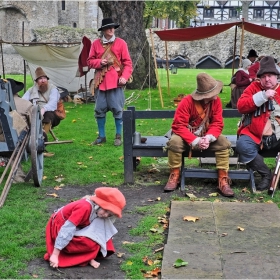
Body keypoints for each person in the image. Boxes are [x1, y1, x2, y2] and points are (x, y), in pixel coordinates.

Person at [164, 73, 234, 197]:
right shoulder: (186, 102)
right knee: (174, 142)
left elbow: (217, 123)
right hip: (186, 137)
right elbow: (178, 126)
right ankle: (174, 175)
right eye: (214, 93)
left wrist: (207, 138)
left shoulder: (216, 102)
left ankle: (223, 179)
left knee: (223, 143)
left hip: (207, 136)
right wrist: (196, 140)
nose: (216, 95)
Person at [44, 187, 126, 268]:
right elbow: (67, 229)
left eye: (110, 214)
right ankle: (87, 257)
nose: (106, 215)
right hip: (61, 228)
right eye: (105, 210)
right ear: (98, 204)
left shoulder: (97, 210)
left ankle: (90, 256)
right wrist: (55, 254)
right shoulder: (84, 207)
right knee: (89, 243)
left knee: (103, 229)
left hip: (79, 226)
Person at [236, 56, 280, 192]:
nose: (267, 79)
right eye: (264, 76)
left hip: (278, 136)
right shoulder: (253, 87)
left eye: (270, 76)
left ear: (276, 76)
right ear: (259, 78)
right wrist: (263, 96)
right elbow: (241, 106)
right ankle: (266, 174)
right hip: (253, 134)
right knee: (243, 146)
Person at [87, 18, 133, 146]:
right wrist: (99, 62)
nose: (111, 29)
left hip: (116, 83)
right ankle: (101, 137)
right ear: (103, 30)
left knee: (118, 110)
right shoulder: (96, 44)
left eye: (113, 27)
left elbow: (128, 63)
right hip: (100, 83)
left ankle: (118, 136)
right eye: (108, 28)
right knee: (99, 110)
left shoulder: (121, 43)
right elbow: (89, 61)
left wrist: (124, 76)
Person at [22, 67, 61, 136]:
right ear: (36, 81)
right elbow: (23, 101)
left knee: (48, 115)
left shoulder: (53, 89)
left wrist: (43, 109)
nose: (43, 81)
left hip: (51, 114)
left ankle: (43, 137)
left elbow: (53, 104)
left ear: (47, 79)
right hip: (34, 112)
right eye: (40, 79)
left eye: (44, 78)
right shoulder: (31, 90)